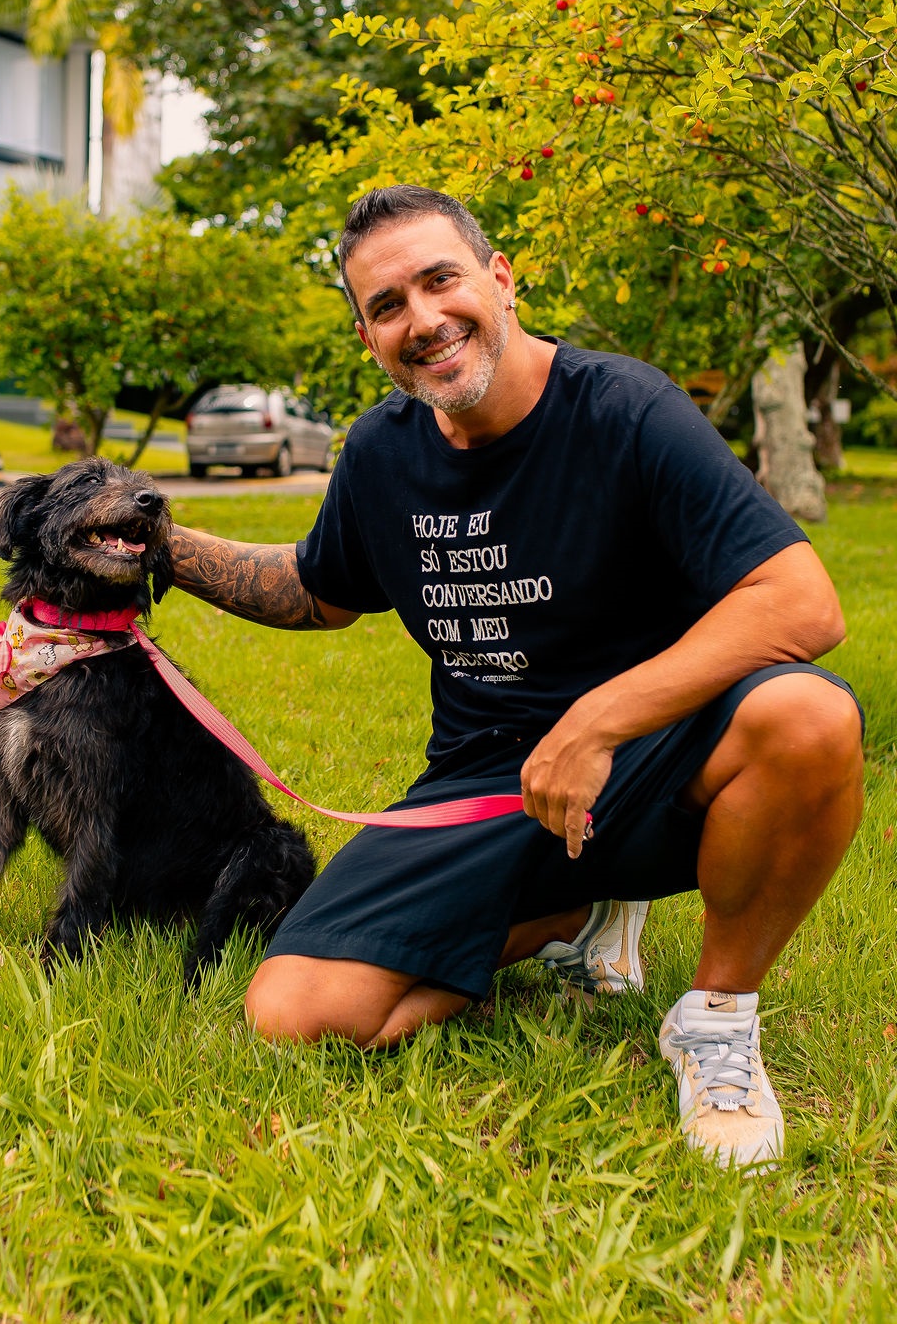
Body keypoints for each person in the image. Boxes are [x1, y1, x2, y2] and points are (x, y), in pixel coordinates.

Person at [169, 185, 864, 1171]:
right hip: (484, 784)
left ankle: (717, 1019)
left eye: (439, 279)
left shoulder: (625, 410)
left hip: (653, 763)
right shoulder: (380, 454)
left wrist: (597, 721)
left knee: (807, 716)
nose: (422, 319)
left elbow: (802, 602)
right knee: (296, 1011)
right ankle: (572, 918)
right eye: (387, 305)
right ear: (367, 336)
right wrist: (159, 543)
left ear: (500, 278)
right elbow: (316, 591)